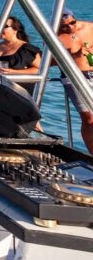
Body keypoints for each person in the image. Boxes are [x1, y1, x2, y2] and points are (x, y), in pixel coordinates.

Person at [57, 8, 93, 153]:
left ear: (75, 17)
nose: (70, 27)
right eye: (65, 26)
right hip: (74, 76)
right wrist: (73, 54)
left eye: (72, 23)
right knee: (88, 118)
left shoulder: (89, 27)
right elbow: (48, 61)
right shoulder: (56, 36)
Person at [0, 16, 41, 97]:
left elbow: (39, 69)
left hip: (19, 93)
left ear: (15, 30)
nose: (0, 28)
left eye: (4, 26)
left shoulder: (26, 48)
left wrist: (14, 72)